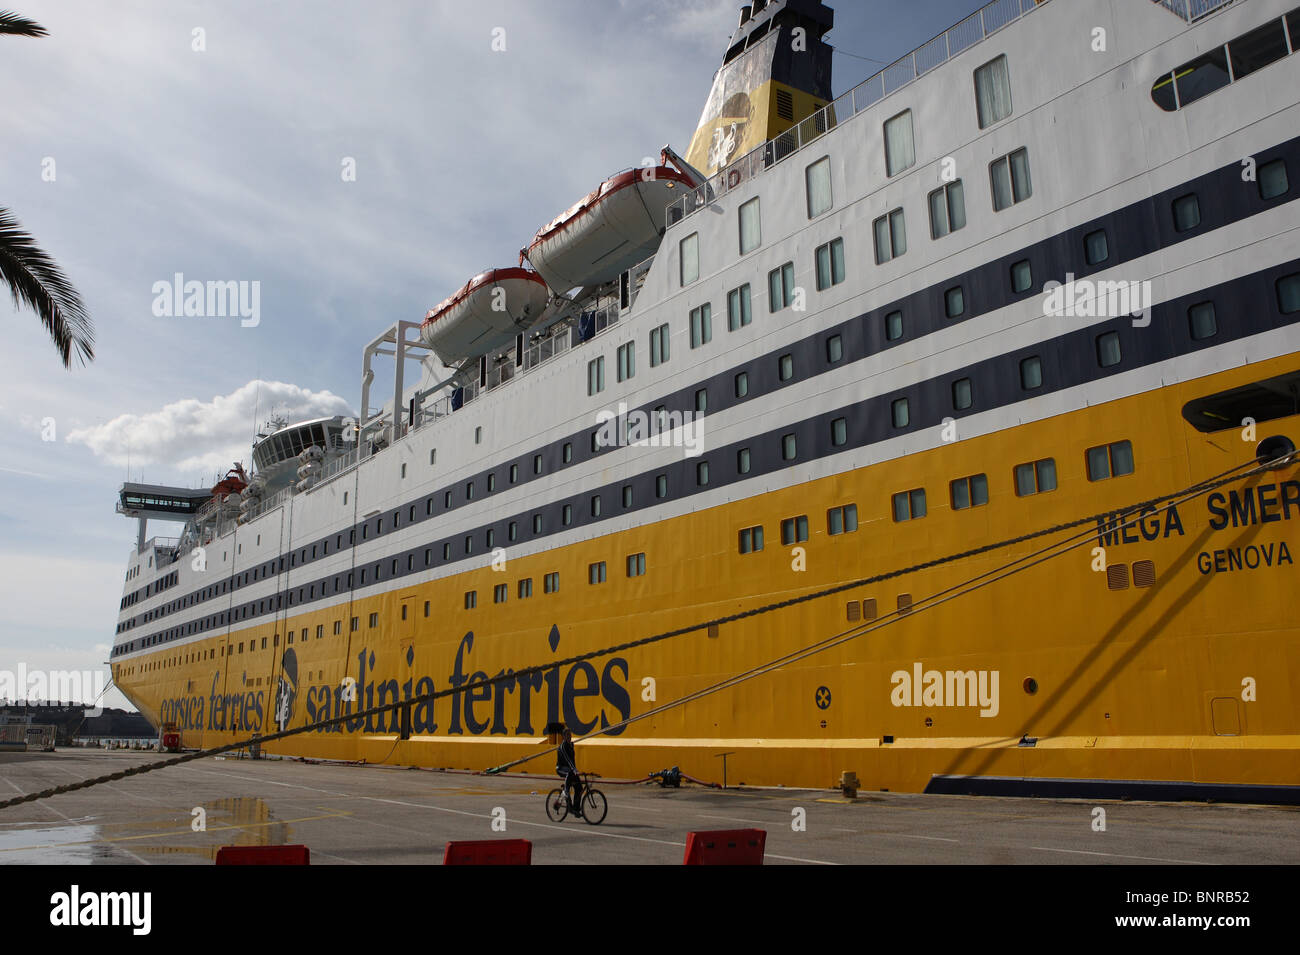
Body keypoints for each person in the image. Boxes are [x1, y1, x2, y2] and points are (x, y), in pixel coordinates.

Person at [556, 727, 582, 816]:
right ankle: (566, 791)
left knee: (579, 788)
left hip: (570, 769)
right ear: (563, 736)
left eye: (570, 735)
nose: (569, 737)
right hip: (561, 768)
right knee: (569, 773)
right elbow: (568, 760)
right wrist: (574, 770)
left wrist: (576, 771)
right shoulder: (562, 746)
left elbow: (573, 760)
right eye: (567, 735)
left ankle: (575, 809)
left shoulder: (571, 745)